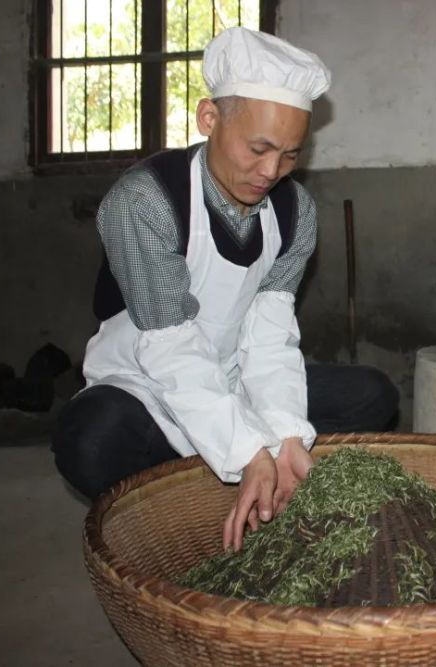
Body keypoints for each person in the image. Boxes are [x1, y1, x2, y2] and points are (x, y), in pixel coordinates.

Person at [53, 28, 397, 551]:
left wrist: (283, 437)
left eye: (289, 155)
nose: (270, 172)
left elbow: (269, 334)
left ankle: (232, 479)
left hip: (234, 375)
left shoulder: (294, 210)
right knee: (90, 440)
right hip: (144, 383)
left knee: (373, 395)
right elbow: (169, 344)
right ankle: (210, 486)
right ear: (208, 118)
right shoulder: (147, 200)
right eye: (258, 148)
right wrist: (246, 452)